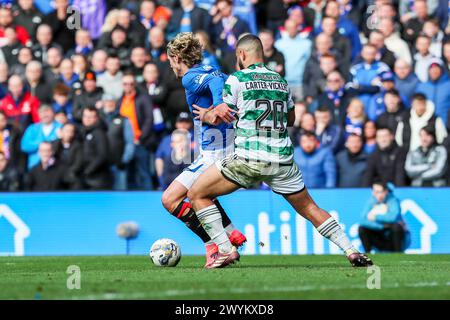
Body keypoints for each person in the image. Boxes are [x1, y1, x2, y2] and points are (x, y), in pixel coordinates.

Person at [189, 34, 372, 269]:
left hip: (250, 157)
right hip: (282, 159)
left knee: (197, 194)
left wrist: (205, 114)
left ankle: (225, 250)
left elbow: (220, 116)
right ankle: (351, 250)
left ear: (242, 55)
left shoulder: (237, 79)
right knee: (309, 208)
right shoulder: (280, 81)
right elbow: (292, 119)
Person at [162, 32, 246, 267]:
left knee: (170, 199)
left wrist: (219, 103)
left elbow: (215, 84)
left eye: (170, 59)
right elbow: (223, 79)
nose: (170, 64)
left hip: (214, 154)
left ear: (177, 57)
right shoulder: (212, 68)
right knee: (201, 193)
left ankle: (216, 246)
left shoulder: (189, 77)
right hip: (227, 148)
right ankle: (231, 232)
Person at [117, 73, 156, 190]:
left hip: (140, 142)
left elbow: (149, 119)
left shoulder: (143, 98)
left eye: (131, 83)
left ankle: (147, 202)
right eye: (125, 84)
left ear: (134, 84)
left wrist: (141, 137)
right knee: (129, 175)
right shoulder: (120, 100)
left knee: (143, 173)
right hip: (126, 144)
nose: (128, 86)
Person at [359, 182, 409, 253]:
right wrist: (382, 226)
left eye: (379, 192)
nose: (376, 194)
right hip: (380, 234)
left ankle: (398, 253)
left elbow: (393, 217)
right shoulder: (372, 201)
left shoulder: (393, 200)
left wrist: (376, 217)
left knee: (396, 227)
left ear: (386, 191)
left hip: (393, 237)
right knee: (362, 229)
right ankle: (368, 254)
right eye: (374, 192)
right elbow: (362, 220)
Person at [100, 93, 135, 191]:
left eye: (111, 101)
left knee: (120, 193)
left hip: (118, 164)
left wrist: (124, 160)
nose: (109, 104)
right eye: (107, 101)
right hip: (101, 166)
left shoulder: (124, 120)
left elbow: (129, 142)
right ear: (103, 103)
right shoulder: (98, 118)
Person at [274, 19, 312, 102]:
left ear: (298, 28)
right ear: (285, 29)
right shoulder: (279, 44)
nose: (291, 30)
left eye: (293, 27)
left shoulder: (307, 44)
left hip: (300, 83)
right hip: (284, 83)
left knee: (301, 109)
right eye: (289, 28)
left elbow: (309, 63)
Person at [21, 105, 62, 170]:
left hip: (55, 168)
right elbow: (24, 146)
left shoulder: (61, 127)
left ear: (53, 113)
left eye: (47, 111)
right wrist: (42, 143)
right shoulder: (32, 128)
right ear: (38, 114)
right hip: (34, 167)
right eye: (42, 112)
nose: (45, 114)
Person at [80, 106, 112, 190]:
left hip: (98, 178)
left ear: (96, 118)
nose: (87, 119)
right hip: (87, 177)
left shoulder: (99, 133)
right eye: (85, 116)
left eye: (90, 117)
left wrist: (88, 170)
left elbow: (102, 155)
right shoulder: (84, 132)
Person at [52, 123, 83, 190]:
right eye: (67, 131)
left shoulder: (77, 145)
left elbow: (78, 163)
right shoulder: (55, 143)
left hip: (71, 175)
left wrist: (67, 173)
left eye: (71, 131)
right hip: (56, 175)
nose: (69, 134)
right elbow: (52, 157)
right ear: (61, 131)